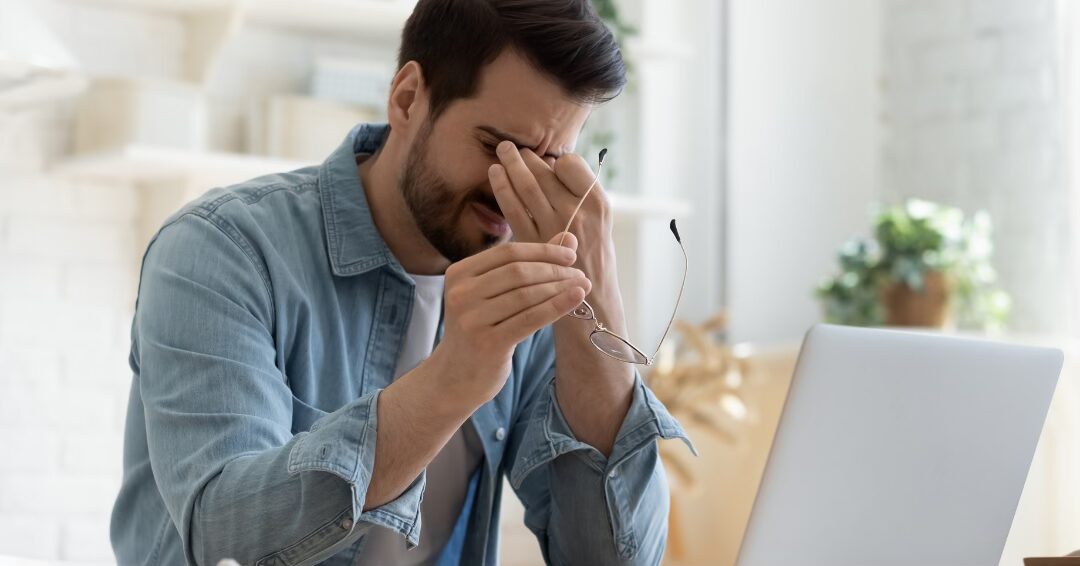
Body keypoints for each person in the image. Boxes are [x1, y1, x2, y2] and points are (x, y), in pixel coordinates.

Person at [110, 1, 691, 564]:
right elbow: (226, 540)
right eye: (500, 148)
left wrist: (599, 302)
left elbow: (611, 559)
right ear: (407, 98)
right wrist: (453, 379)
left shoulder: (535, 290)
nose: (515, 189)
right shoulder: (223, 251)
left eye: (550, 162)